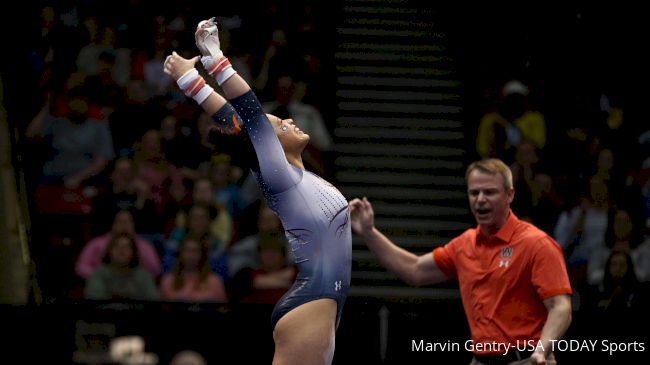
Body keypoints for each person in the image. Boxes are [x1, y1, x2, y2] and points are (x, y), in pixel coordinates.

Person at [162, 18, 351, 365]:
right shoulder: (281, 179)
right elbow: (247, 114)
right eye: (280, 124)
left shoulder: (299, 177)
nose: (289, 121)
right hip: (312, 301)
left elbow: (237, 125)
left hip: (322, 304)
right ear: (271, 145)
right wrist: (213, 58)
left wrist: (192, 79)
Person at [349, 158, 572, 365]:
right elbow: (414, 270)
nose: (480, 199)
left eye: (490, 192)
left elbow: (560, 307)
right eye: (474, 193)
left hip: (526, 359)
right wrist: (369, 233)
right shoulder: (464, 245)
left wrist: (543, 349)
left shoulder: (537, 243)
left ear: (510, 195)